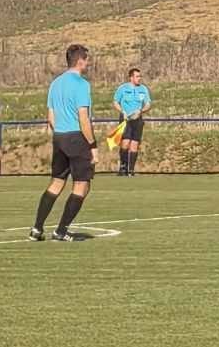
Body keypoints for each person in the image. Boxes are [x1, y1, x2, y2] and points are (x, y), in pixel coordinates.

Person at [30, 44, 97, 243]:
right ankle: (61, 231)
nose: (88, 63)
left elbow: (51, 117)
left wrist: (61, 134)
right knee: (82, 185)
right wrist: (92, 145)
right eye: (87, 59)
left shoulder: (55, 83)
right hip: (77, 137)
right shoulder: (82, 85)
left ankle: (37, 228)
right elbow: (83, 118)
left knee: (57, 182)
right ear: (80, 61)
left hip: (59, 137)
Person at [112, 67, 152, 176]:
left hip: (137, 120)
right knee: (125, 143)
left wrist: (141, 111)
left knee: (134, 144)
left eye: (140, 76)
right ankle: (123, 168)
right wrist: (122, 111)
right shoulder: (123, 88)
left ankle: (131, 170)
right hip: (126, 119)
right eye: (137, 76)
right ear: (131, 77)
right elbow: (115, 102)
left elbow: (148, 104)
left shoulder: (143, 89)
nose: (139, 78)